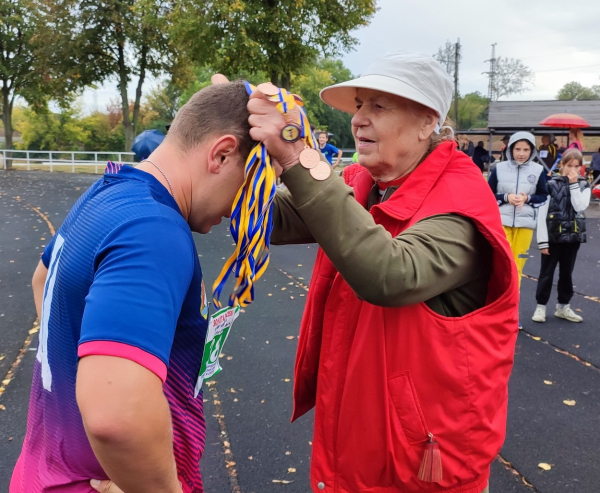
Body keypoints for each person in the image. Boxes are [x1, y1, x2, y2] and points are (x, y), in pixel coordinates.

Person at [247, 51, 519, 493]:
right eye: (358, 105)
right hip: (368, 438)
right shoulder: (363, 182)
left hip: (422, 464)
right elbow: (272, 218)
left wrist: (298, 157)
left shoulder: (460, 207)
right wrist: (236, 138)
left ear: (427, 122)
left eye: (379, 106)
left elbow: (389, 274)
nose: (358, 120)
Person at [10, 81, 254, 493]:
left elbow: (43, 277)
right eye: (251, 185)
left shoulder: (108, 191)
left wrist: (87, 371)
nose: (241, 207)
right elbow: (117, 418)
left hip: (43, 472)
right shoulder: (154, 230)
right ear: (222, 153)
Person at [532, 149, 590, 323]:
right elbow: (542, 213)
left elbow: (579, 206)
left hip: (572, 237)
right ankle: (540, 307)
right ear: (562, 165)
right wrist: (542, 241)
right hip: (553, 236)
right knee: (546, 273)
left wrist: (573, 185)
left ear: (581, 167)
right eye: (569, 165)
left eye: (576, 166)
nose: (572, 169)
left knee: (567, 273)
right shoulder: (550, 184)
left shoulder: (583, 185)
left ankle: (563, 306)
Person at [488, 132, 548, 293]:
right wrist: (506, 197)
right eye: (518, 149)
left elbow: (544, 196)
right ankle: (496, 306)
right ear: (510, 149)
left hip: (525, 225)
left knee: (517, 266)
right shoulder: (499, 169)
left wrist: (527, 198)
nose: (521, 154)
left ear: (532, 151)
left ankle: (512, 309)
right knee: (501, 265)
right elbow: (486, 195)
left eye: (526, 150)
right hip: (501, 223)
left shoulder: (538, 170)